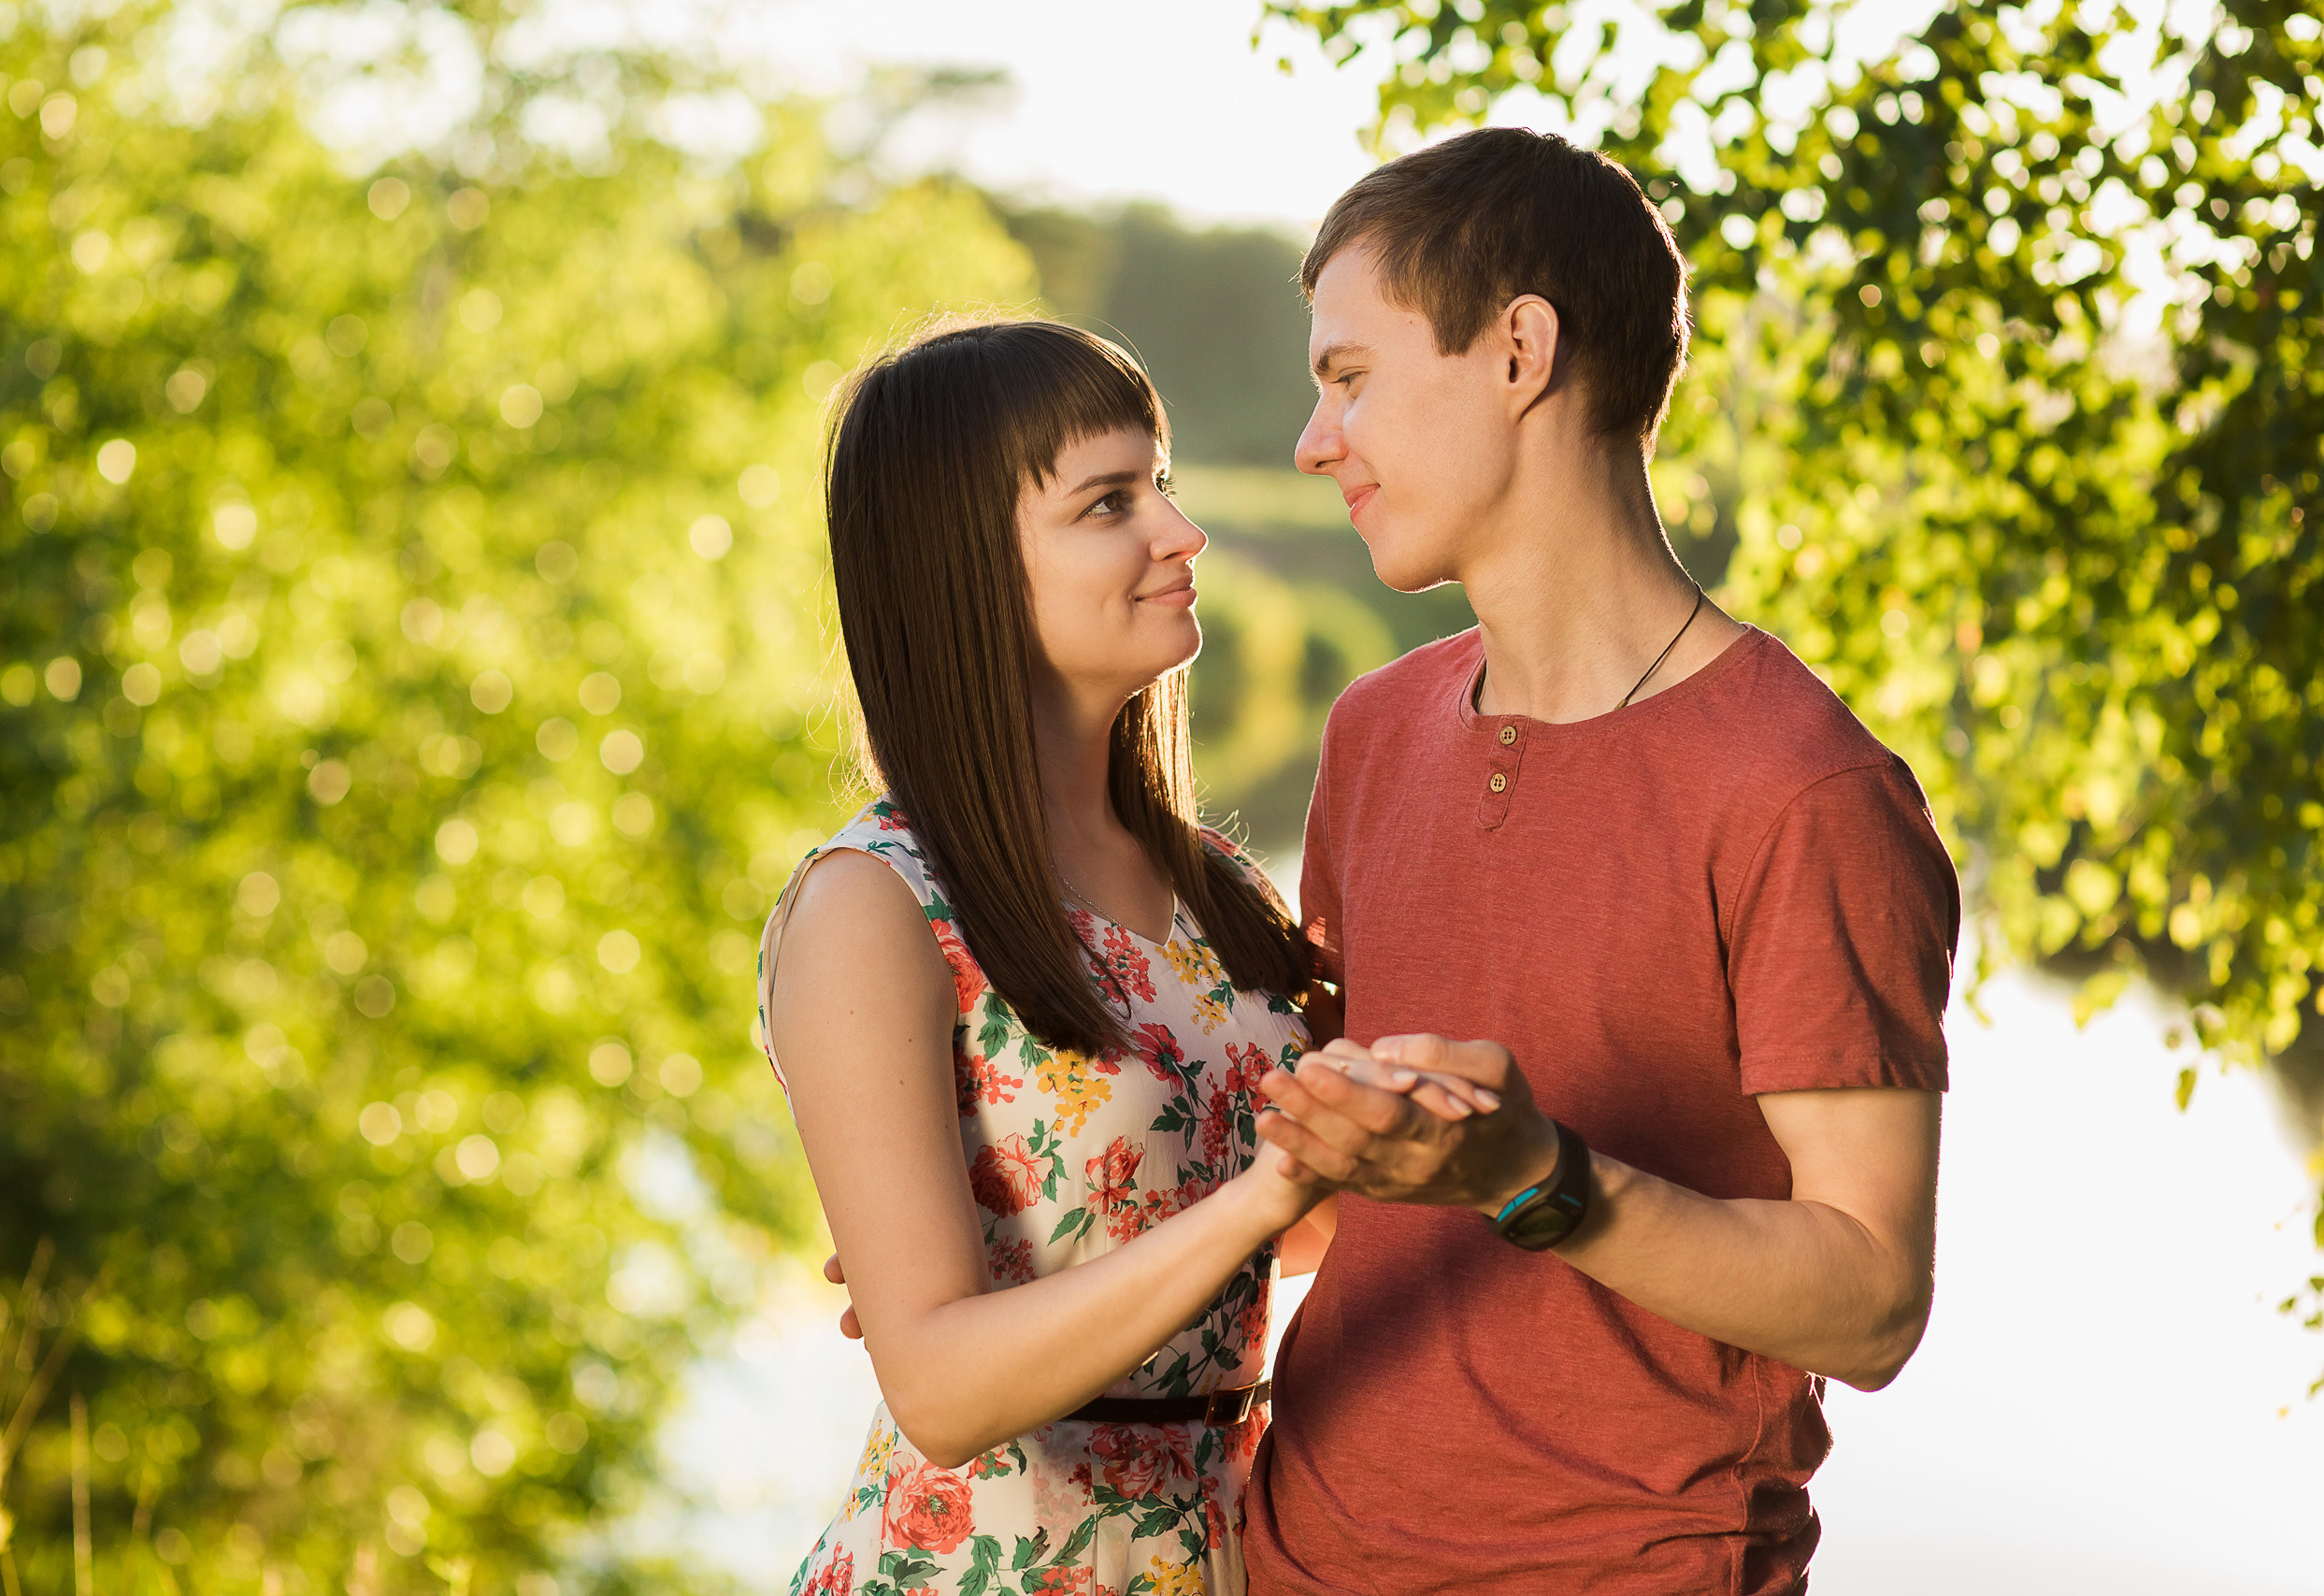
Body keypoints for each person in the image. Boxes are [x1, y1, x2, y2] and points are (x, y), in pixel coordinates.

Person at [1238, 128, 1963, 1594]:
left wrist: (1542, 1179)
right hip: (1287, 1556)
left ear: (1519, 352)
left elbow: (1873, 1304)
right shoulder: (1375, 731)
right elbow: (1338, 1196)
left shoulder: (1803, 790)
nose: (1315, 442)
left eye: (1350, 376)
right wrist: (1033, 1250)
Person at [759, 318, 1488, 1596]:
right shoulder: (874, 906)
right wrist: (1262, 1195)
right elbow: (939, 1387)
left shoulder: (1216, 890)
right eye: (1110, 502)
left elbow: (1287, 1233)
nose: (1181, 534)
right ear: (965, 569)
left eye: (1164, 484)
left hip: (1225, 1556)